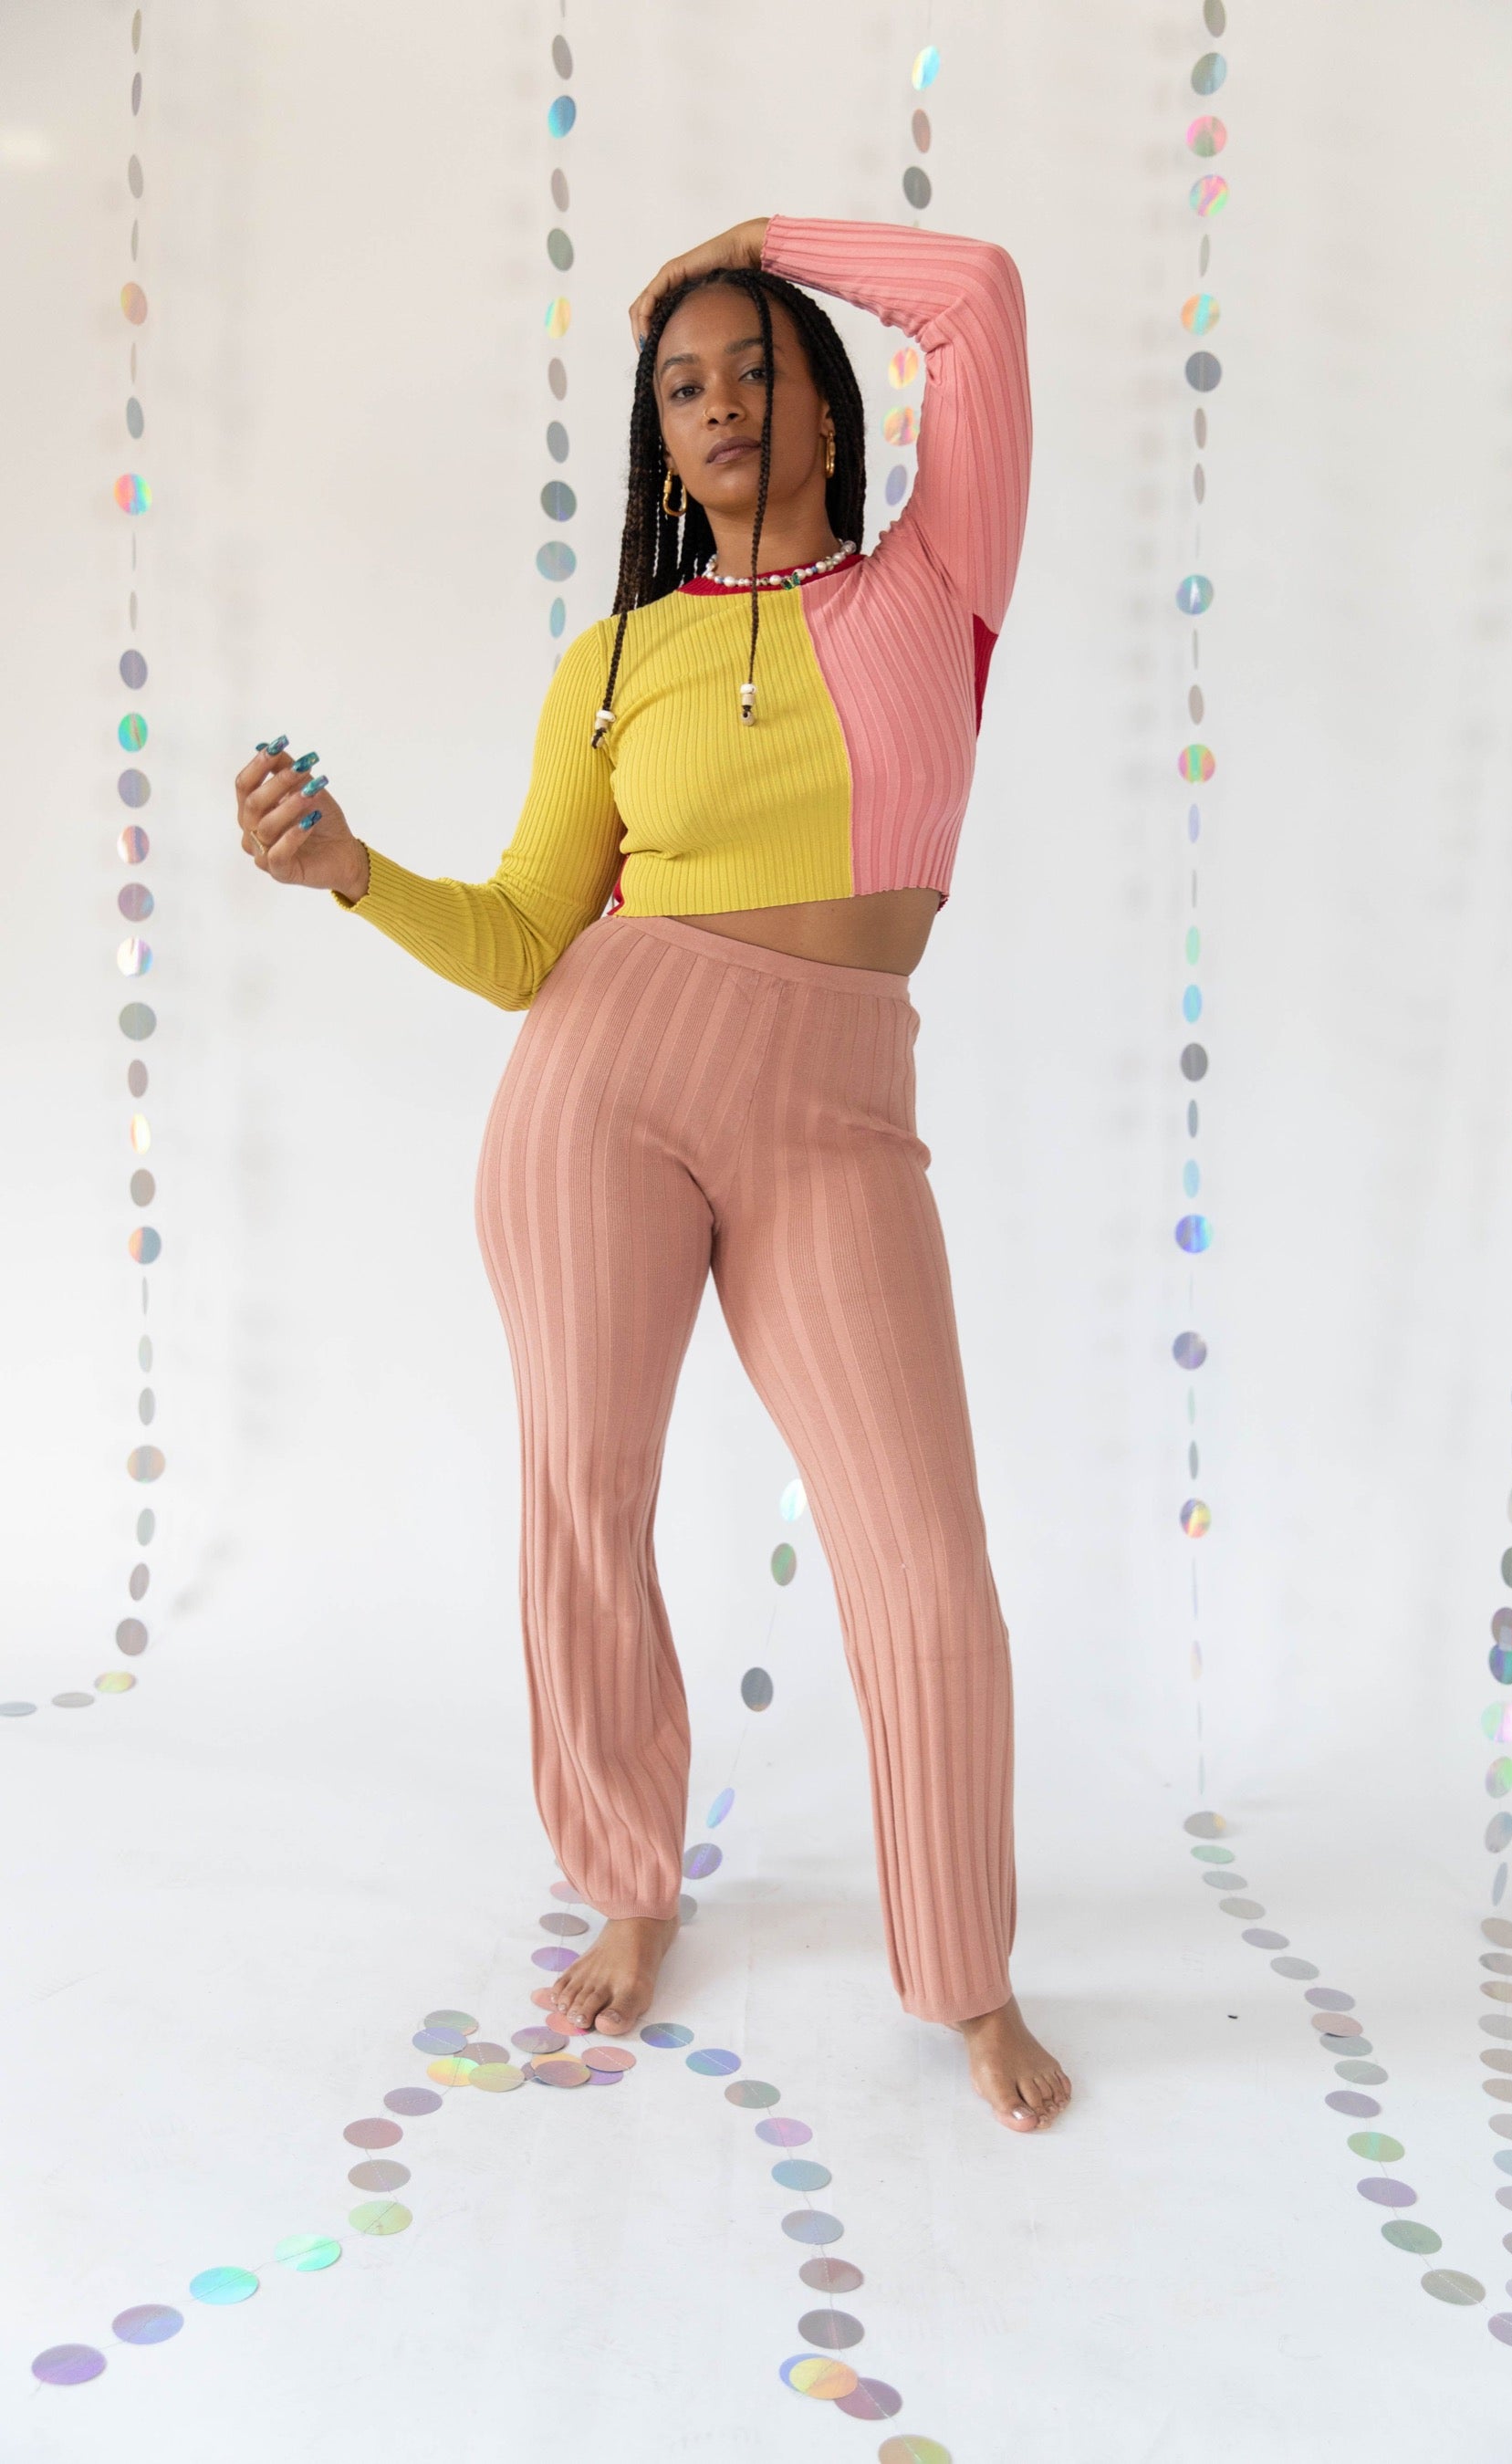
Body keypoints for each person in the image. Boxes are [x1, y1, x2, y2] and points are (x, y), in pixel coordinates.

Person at [233, 213, 1070, 2132]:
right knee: (585, 1499)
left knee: (923, 1558)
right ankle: (627, 1883)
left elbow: (979, 301)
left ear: (827, 401)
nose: (718, 404)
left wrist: (757, 244)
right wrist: (352, 873)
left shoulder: (939, 581)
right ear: (656, 436)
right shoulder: (613, 663)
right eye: (681, 384)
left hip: (840, 1110)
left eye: (754, 364)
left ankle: (967, 1975)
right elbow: (527, 939)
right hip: (606, 1081)